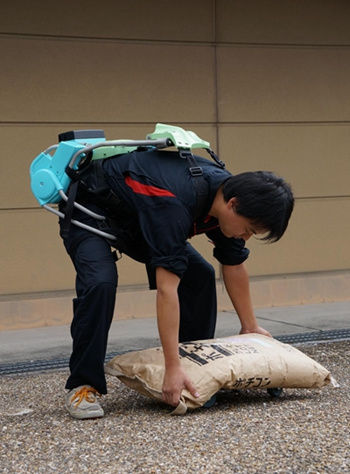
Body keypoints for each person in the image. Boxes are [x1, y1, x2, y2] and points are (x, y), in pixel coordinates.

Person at [59, 147, 294, 419]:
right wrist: (170, 368)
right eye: (249, 230)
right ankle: (83, 384)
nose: (246, 237)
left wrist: (250, 326)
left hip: (141, 215)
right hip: (90, 209)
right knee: (100, 283)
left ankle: (193, 368)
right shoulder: (174, 202)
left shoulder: (228, 197)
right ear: (232, 204)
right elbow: (167, 289)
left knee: (200, 276)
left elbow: (234, 263)